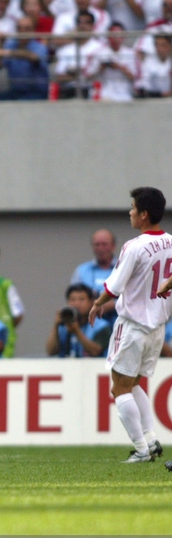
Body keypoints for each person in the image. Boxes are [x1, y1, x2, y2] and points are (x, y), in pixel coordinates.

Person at [93, 187, 172, 463]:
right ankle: (150, 441)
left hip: (133, 326)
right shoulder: (171, 242)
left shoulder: (134, 246)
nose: (130, 212)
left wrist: (96, 303)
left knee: (119, 387)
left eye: (133, 207)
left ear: (144, 214)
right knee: (134, 383)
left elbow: (113, 287)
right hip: (157, 328)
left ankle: (141, 449)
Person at [0, 16, 50, 100]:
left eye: (27, 28)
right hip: (15, 92)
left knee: (20, 103)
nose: (22, 31)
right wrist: (1, 43)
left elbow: (33, 57)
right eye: (19, 28)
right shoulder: (11, 45)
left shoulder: (39, 47)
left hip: (36, 93)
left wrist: (7, 52)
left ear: (33, 31)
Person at [45, 284, 111, 357]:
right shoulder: (64, 322)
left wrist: (76, 331)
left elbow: (95, 351)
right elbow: (51, 351)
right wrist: (56, 325)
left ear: (91, 302)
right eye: (72, 300)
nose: (77, 303)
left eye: (81, 299)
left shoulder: (102, 326)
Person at [51, 11, 104, 99]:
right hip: (69, 91)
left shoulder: (100, 48)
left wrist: (74, 75)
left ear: (92, 26)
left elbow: (99, 74)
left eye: (87, 22)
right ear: (76, 26)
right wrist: (81, 75)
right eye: (80, 22)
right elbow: (59, 77)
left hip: (91, 90)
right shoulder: (66, 50)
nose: (83, 26)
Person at [87, 23, 138, 102]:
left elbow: (135, 77)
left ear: (124, 36)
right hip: (104, 91)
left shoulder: (131, 54)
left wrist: (119, 67)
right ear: (108, 36)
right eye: (113, 35)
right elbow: (88, 76)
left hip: (124, 93)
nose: (116, 38)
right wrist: (101, 68)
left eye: (119, 35)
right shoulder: (99, 53)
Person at [135, 33, 172, 98]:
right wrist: (160, 94)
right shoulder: (148, 62)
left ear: (169, 46)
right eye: (157, 45)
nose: (159, 49)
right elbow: (143, 87)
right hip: (155, 99)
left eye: (163, 45)